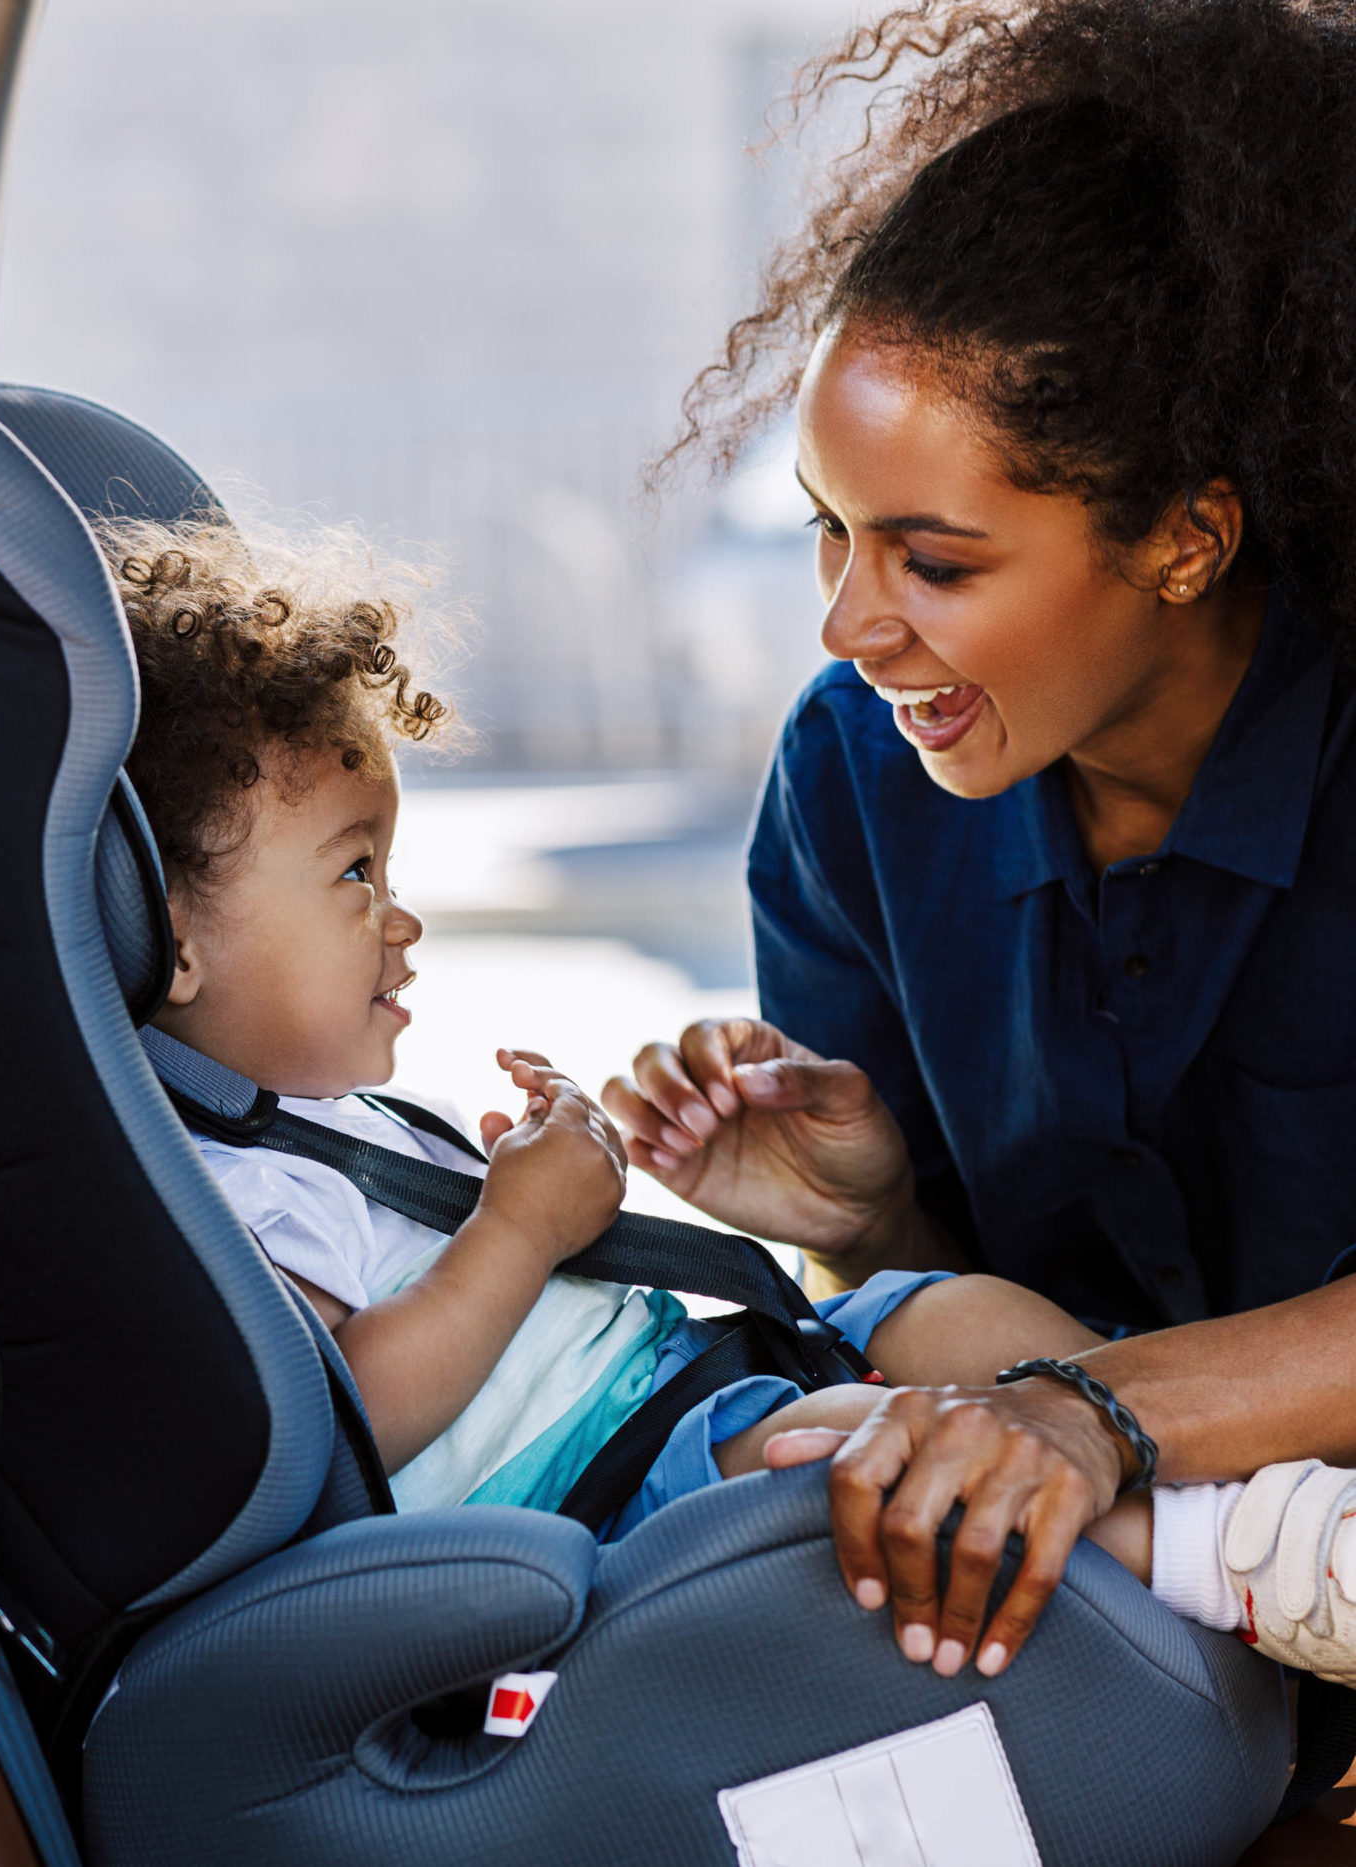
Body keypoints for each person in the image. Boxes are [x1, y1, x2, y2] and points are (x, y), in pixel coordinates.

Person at [106, 511, 1356, 1700]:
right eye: (354, 871)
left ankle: (1247, 1490)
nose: (404, 914)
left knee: (949, 1315)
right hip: (601, 1493)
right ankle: (1239, 1562)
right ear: (169, 942)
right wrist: (516, 1232)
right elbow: (342, 1417)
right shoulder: (229, 1191)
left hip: (683, 1384)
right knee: (845, 1446)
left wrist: (523, 1198)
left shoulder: (339, 1128)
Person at [605, 0, 1356, 1689]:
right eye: (828, 535)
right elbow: (973, 1354)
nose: (851, 626)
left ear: (1187, 536)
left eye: (933, 561)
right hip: (1134, 1656)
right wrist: (868, 1227)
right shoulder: (852, 789)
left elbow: (1064, 1403)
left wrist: (1091, 1412)